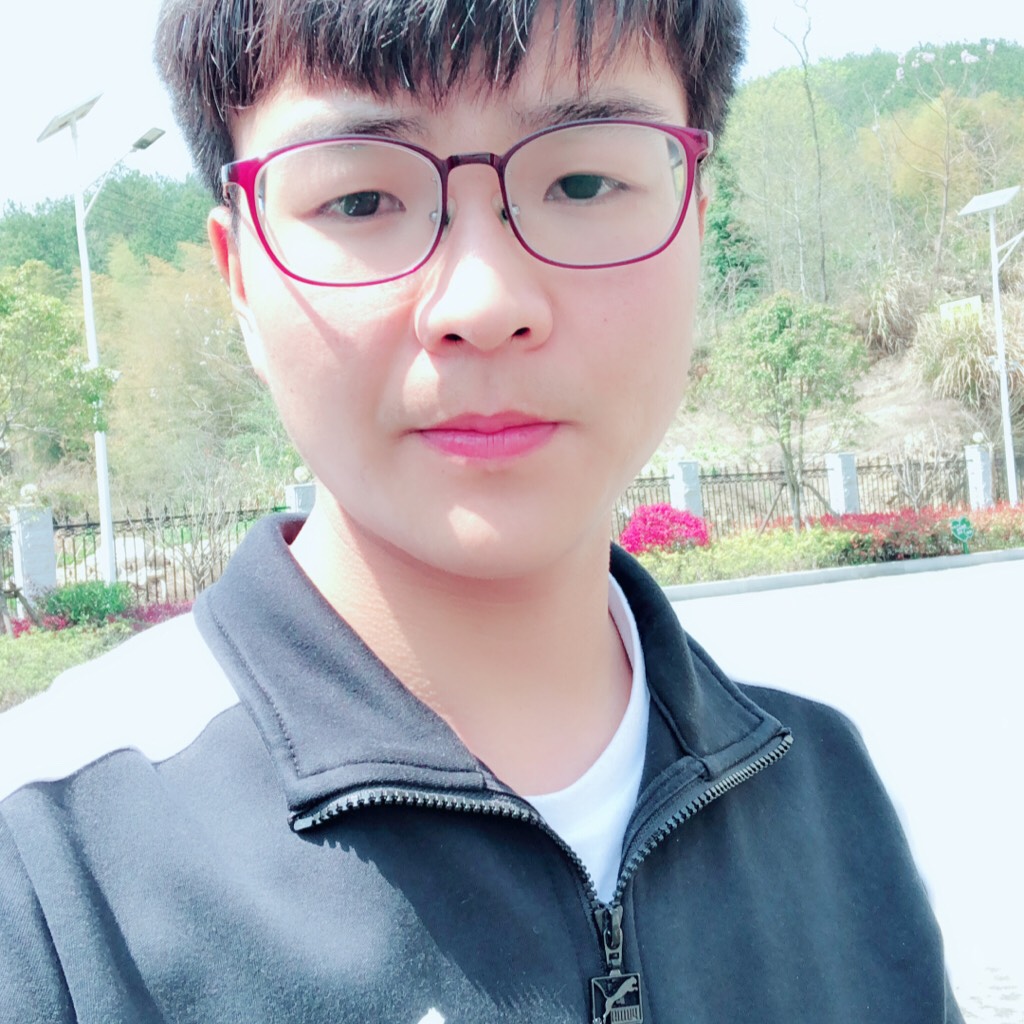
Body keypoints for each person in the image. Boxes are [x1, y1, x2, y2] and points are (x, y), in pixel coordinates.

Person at [0, 1, 963, 1021]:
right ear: (239, 273)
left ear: (695, 218)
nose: (483, 302)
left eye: (582, 182)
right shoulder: (52, 880)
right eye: (362, 199)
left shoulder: (823, 793)